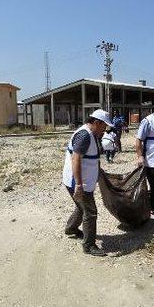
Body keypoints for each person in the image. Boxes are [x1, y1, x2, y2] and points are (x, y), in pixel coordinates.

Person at [62, 109, 113, 256]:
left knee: (81, 206)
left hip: (85, 180)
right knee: (90, 212)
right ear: (96, 123)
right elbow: (76, 159)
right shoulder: (84, 135)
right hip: (78, 182)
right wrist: (78, 185)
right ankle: (89, 245)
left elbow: (91, 158)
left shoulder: (92, 134)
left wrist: (98, 172)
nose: (105, 129)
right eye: (104, 126)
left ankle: (71, 228)